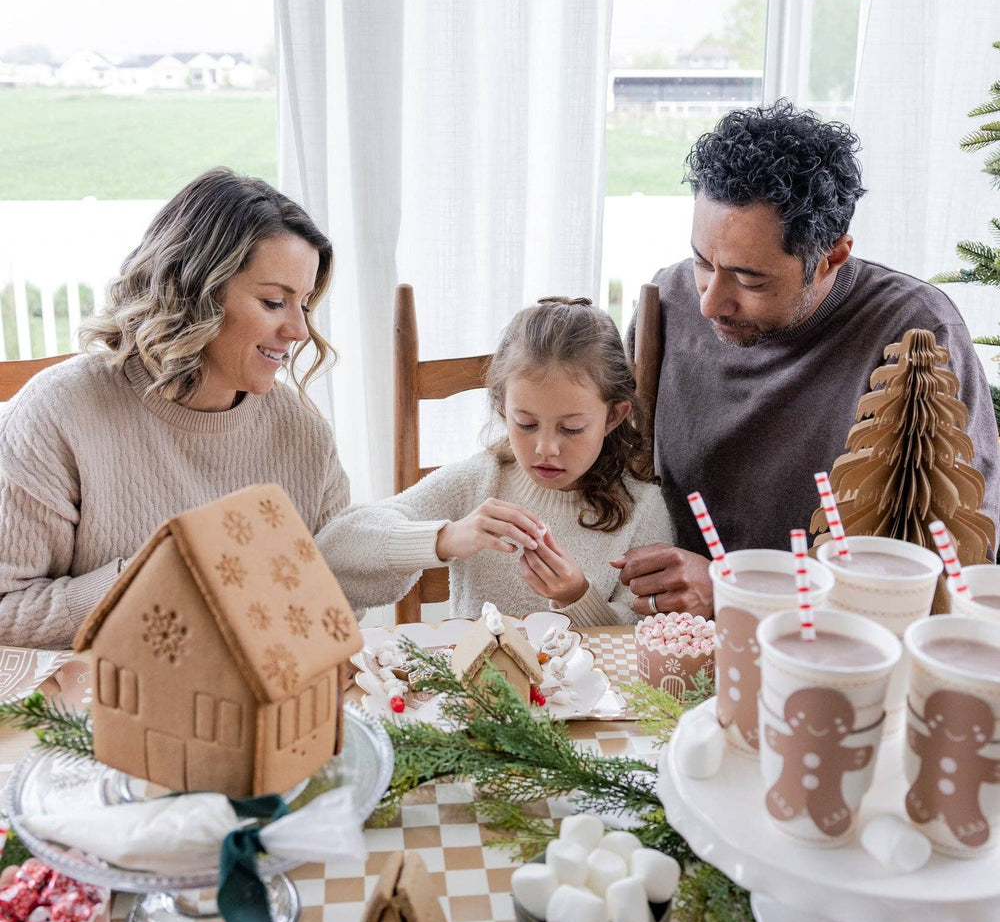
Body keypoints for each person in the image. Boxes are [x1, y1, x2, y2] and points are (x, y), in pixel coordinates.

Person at [614, 100, 1000, 619]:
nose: (709, 302)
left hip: (829, 645)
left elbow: (957, 572)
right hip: (662, 630)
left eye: (750, 279)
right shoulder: (667, 300)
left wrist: (735, 590)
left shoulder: (919, 335)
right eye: (703, 262)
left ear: (832, 257)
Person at [0, 167, 374, 649]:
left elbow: (341, 600)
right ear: (194, 290)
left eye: (303, 304)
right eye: (274, 301)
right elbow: (7, 609)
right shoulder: (60, 412)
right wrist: (153, 581)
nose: (299, 331)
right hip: (92, 708)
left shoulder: (301, 433)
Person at [319, 297, 674, 624]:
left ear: (613, 417)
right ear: (503, 406)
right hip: (474, 689)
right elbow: (331, 554)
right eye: (526, 424)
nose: (546, 447)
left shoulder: (642, 508)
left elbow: (647, 642)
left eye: (572, 428)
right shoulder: (480, 482)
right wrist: (446, 537)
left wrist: (576, 597)